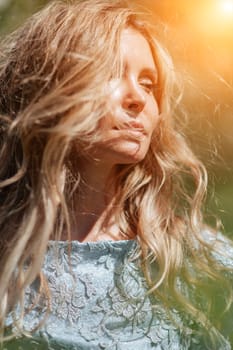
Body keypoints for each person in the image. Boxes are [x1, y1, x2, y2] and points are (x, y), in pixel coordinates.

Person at [0, 0, 232, 349]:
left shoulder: (198, 263)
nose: (138, 98)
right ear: (49, 86)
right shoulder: (7, 250)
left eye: (149, 83)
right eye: (111, 74)